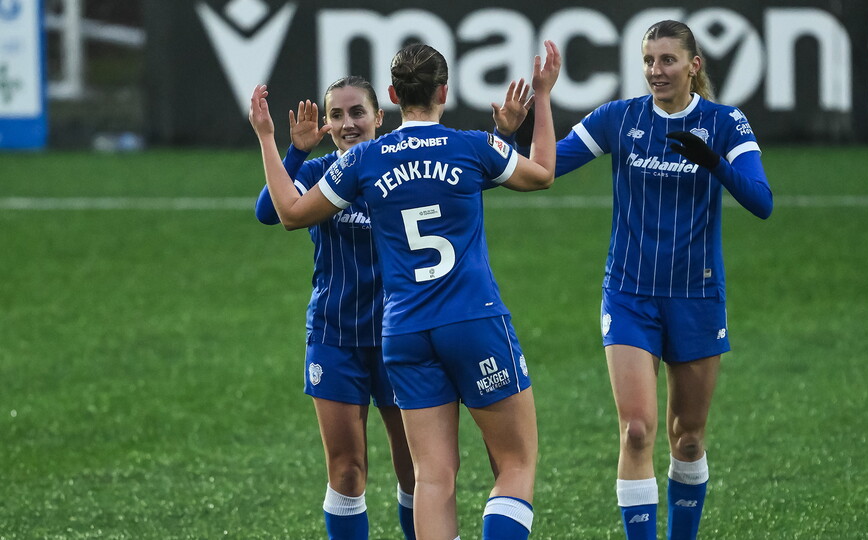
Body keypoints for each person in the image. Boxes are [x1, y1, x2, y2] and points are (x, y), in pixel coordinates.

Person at [249, 41, 560, 540]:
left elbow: (286, 212)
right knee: (515, 465)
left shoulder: (364, 161)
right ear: (444, 91)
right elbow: (542, 173)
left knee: (431, 478)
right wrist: (541, 97)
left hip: (403, 331)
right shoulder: (470, 146)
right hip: (470, 318)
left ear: (390, 97)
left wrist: (267, 136)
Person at [505, 19, 774, 539]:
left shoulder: (725, 122)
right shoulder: (620, 118)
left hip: (696, 295)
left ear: (694, 66)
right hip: (629, 294)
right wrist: (527, 118)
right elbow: (546, 168)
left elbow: (761, 202)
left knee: (689, 439)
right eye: (649, 60)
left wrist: (713, 161)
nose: (656, 71)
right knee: (635, 431)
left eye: (668, 60)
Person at [253, 76, 416, 540]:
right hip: (334, 336)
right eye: (337, 115)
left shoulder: (401, 169)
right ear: (326, 123)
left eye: (358, 112)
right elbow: (269, 211)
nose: (348, 124)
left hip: (400, 335)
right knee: (346, 472)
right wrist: (293, 151)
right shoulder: (318, 171)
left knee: (414, 471)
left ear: (379, 118)